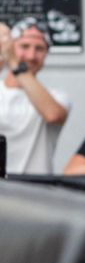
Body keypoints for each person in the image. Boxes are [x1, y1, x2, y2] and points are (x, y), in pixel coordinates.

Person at [0, 20, 71, 174]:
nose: (31, 56)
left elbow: (52, 115)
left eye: (39, 49)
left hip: (37, 192)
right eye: (24, 46)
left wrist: (14, 62)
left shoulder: (56, 96)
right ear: (10, 48)